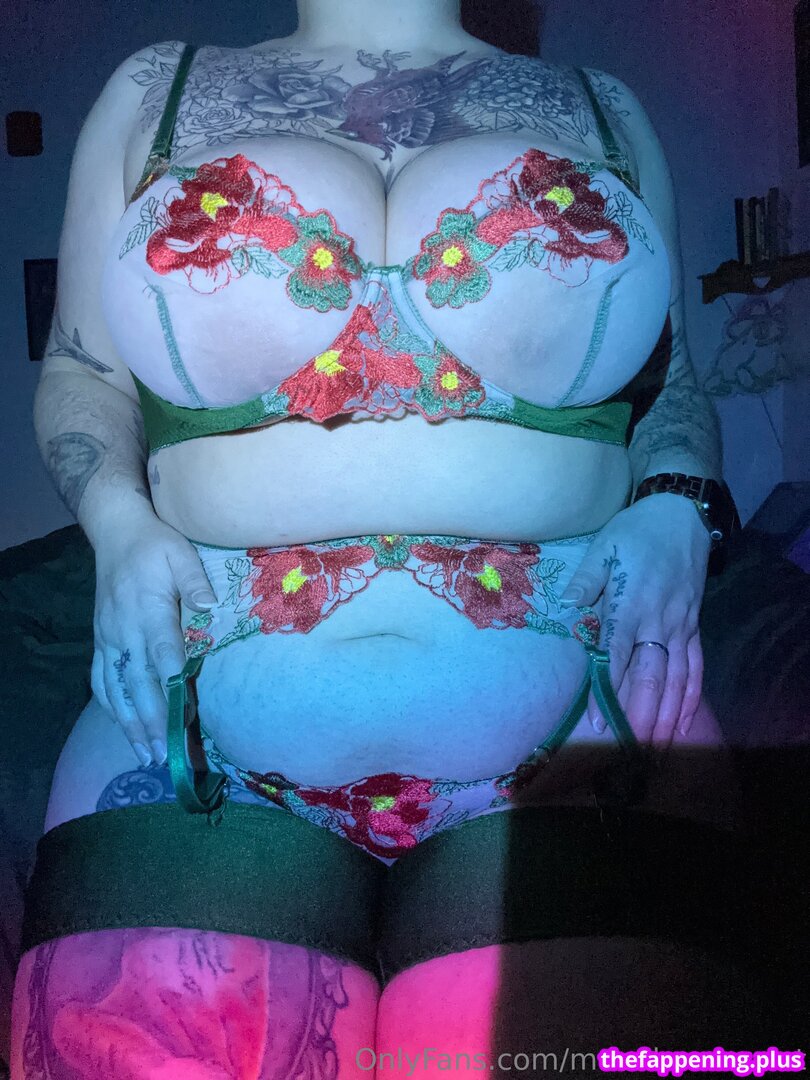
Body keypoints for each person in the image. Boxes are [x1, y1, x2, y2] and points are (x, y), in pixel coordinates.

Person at [11, 0, 757, 1072]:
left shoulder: (605, 106)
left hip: (595, 719)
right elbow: (83, 372)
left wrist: (679, 503)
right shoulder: (152, 91)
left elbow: (671, 380)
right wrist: (118, 524)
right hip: (189, 725)